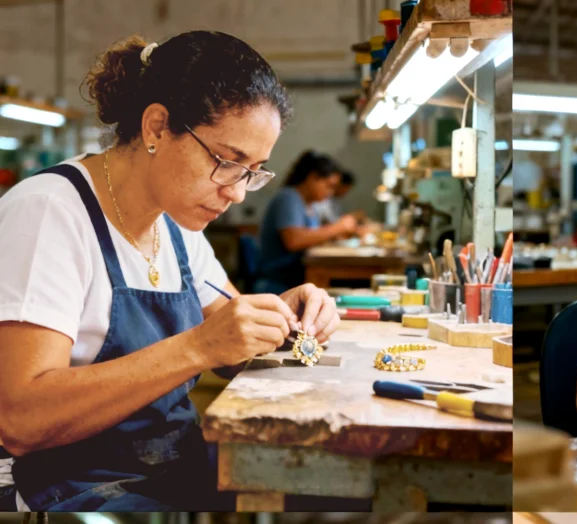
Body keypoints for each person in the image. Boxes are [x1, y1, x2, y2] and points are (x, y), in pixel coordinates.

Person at [0, 31, 341, 511]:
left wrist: (281, 320)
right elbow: (20, 420)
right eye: (227, 161)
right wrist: (197, 346)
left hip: (168, 465)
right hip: (66, 486)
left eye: (253, 171)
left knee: (332, 485)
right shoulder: (49, 213)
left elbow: (230, 342)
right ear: (157, 127)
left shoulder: (176, 223)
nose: (237, 192)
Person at [254, 151, 360, 294]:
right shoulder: (289, 198)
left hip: (296, 275)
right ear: (312, 178)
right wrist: (338, 228)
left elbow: (313, 236)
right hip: (280, 280)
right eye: (329, 186)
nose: (330, 192)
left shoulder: (309, 204)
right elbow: (294, 241)